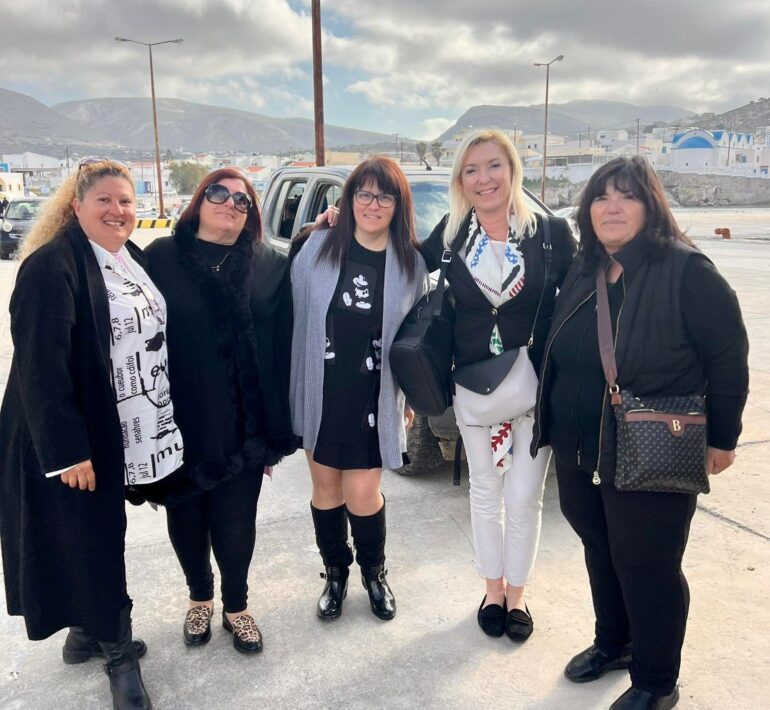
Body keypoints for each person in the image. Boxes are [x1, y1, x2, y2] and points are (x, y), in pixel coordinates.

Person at [532, 156, 749, 710]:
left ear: (650, 205)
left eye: (626, 195)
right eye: (601, 196)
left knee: (647, 563)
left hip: (652, 446)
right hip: (579, 445)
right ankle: (615, 642)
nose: (612, 207)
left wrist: (723, 437)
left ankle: (656, 680)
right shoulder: (586, 267)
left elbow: (728, 358)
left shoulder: (686, 271)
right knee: (600, 546)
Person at [0, 157, 184, 710]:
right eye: (104, 199)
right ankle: (119, 658)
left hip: (116, 426)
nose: (117, 210)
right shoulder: (52, 265)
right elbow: (40, 367)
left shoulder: (128, 258)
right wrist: (68, 452)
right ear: (75, 205)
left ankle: (84, 634)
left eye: (125, 201)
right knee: (96, 539)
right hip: (65, 436)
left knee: (85, 535)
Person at [420, 129, 575, 642]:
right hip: (474, 389)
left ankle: (518, 595)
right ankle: (492, 590)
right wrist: (328, 229)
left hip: (534, 390)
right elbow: (396, 259)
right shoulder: (450, 235)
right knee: (485, 492)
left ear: (512, 171)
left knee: (525, 497)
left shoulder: (550, 234)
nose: (483, 178)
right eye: (471, 170)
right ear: (460, 181)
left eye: (493, 166)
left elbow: (585, 292)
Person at [144, 168, 296, 655]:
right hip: (177, 417)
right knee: (185, 517)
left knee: (236, 521)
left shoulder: (269, 264)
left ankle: (237, 606)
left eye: (242, 200)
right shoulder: (160, 257)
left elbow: (283, 345)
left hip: (242, 422)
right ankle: (199, 597)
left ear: (251, 214)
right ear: (199, 201)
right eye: (219, 193)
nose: (231, 203)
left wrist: (274, 429)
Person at [291, 156, 428, 621]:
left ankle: (374, 572)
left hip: (373, 395)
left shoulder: (411, 264)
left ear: (398, 205)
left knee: (363, 495)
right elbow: (292, 314)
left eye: (384, 196)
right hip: (322, 391)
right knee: (325, 489)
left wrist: (405, 398)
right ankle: (335, 573)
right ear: (348, 200)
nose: (373, 204)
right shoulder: (319, 246)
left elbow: (414, 340)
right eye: (363, 194)